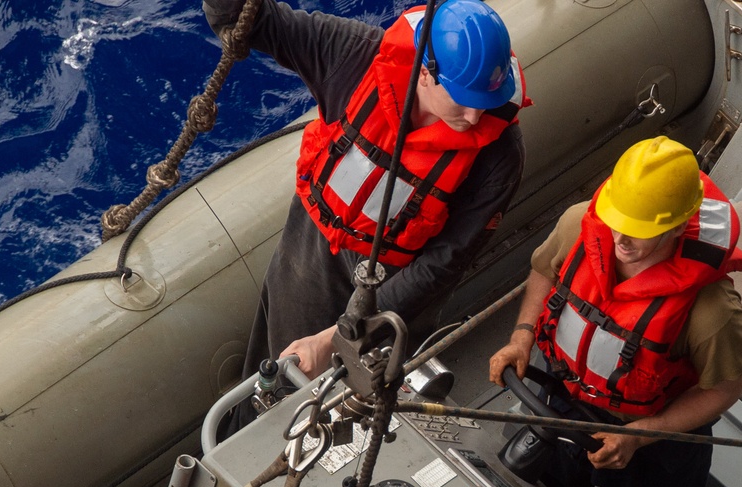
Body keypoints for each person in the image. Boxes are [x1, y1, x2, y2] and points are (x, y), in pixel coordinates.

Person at [488, 136, 742, 487]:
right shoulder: (581, 222)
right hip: (565, 401)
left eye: (642, 232)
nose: (622, 240)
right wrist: (521, 336)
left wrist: (641, 434)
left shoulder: (710, 307)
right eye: (618, 223)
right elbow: (545, 270)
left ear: (678, 227)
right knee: (547, 485)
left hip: (655, 439)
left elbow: (723, 389)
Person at [203, 0, 529, 430]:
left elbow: (443, 265)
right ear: (426, 72)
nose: (475, 116)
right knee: (273, 380)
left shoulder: (499, 155)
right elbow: (244, 20)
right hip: (308, 261)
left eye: (486, 100)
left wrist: (339, 336)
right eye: (464, 98)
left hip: (394, 298)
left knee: (358, 419)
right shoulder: (353, 57)